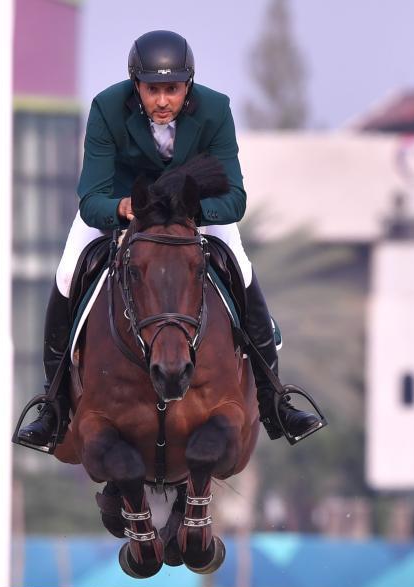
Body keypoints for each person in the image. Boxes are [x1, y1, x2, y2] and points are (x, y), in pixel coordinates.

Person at [16, 30, 321, 450]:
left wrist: (188, 211)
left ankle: (275, 401)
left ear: (188, 86)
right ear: (136, 85)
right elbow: (91, 198)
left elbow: (235, 199)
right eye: (152, 90)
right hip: (126, 207)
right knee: (68, 273)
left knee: (241, 267)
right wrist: (122, 208)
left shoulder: (215, 110)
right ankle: (53, 407)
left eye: (172, 90)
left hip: (192, 211)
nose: (162, 101)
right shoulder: (107, 107)